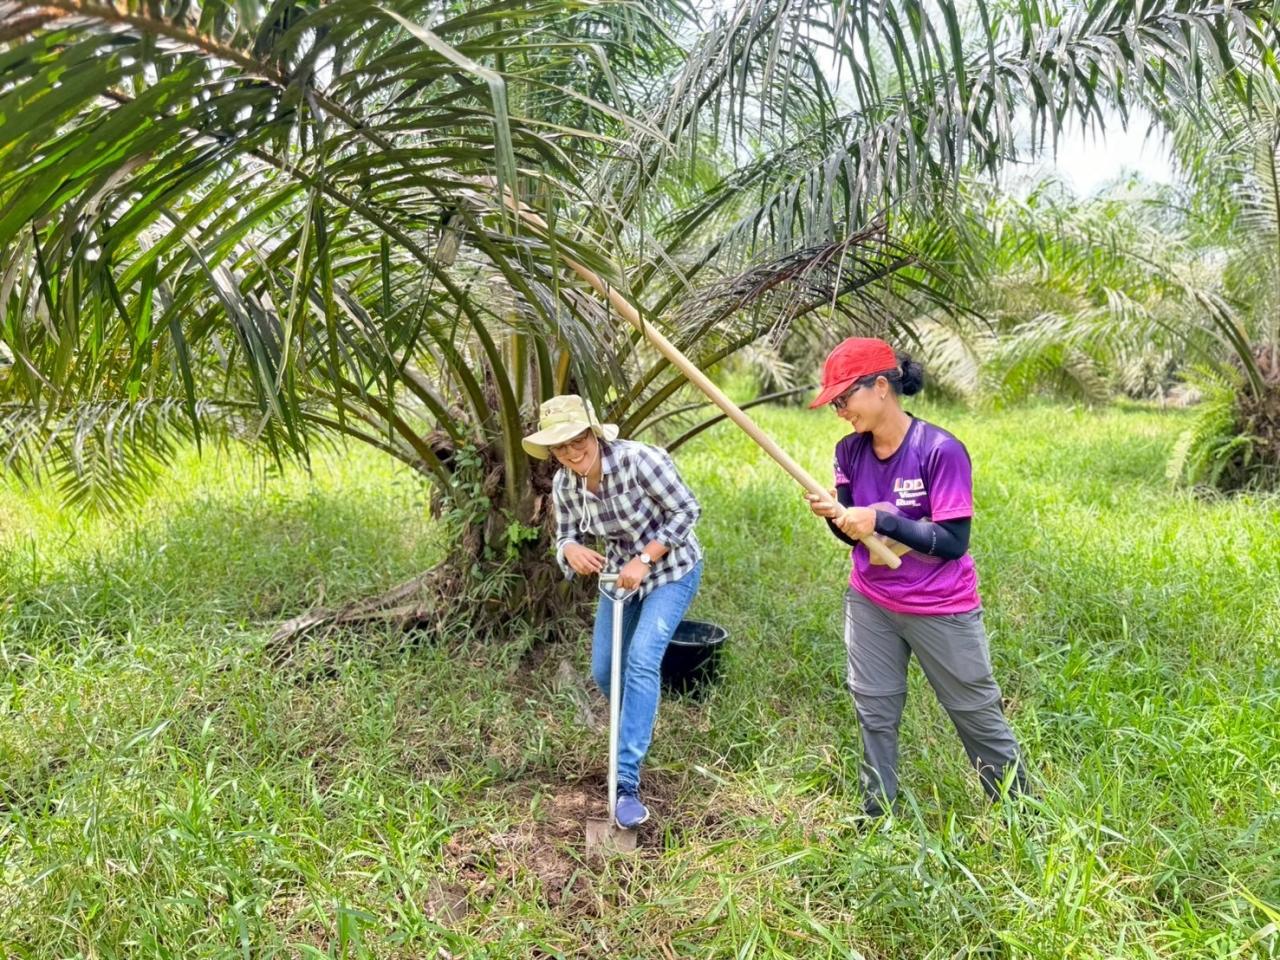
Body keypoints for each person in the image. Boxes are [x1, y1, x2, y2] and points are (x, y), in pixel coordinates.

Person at [804, 337, 1028, 817]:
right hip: (871, 601)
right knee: (874, 709)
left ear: (881, 387)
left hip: (940, 606)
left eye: (844, 399)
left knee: (975, 712)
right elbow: (854, 538)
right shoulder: (849, 450)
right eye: (834, 404)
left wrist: (881, 519)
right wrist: (835, 515)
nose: (840, 412)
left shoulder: (940, 450)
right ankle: (877, 814)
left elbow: (953, 541)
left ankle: (1021, 815)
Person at [522, 394, 703, 828]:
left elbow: (687, 510)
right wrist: (571, 549)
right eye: (560, 447)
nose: (572, 452)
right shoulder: (566, 483)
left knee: (641, 660)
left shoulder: (641, 461)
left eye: (578, 440)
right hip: (621, 578)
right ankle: (637, 724)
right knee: (606, 671)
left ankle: (626, 782)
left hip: (672, 570)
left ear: (594, 434)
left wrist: (646, 557)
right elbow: (565, 536)